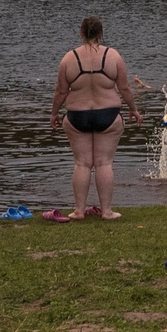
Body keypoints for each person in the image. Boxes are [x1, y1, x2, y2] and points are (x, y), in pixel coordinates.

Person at [51, 16, 141, 220]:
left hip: (77, 116)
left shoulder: (68, 58)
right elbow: (124, 88)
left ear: (81, 33)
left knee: (82, 164)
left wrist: (54, 113)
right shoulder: (113, 56)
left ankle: (79, 211)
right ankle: (107, 211)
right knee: (103, 163)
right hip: (107, 115)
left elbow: (60, 91)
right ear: (100, 34)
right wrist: (133, 110)